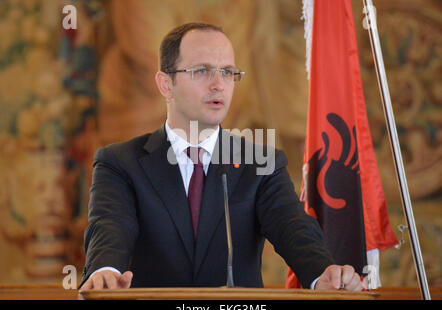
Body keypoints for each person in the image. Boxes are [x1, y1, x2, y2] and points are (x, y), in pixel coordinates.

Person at [80, 23, 364, 291]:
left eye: (228, 72)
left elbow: (292, 226)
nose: (218, 84)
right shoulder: (119, 163)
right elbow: (111, 226)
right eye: (202, 71)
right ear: (166, 84)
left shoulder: (260, 163)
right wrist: (105, 271)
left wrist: (321, 273)